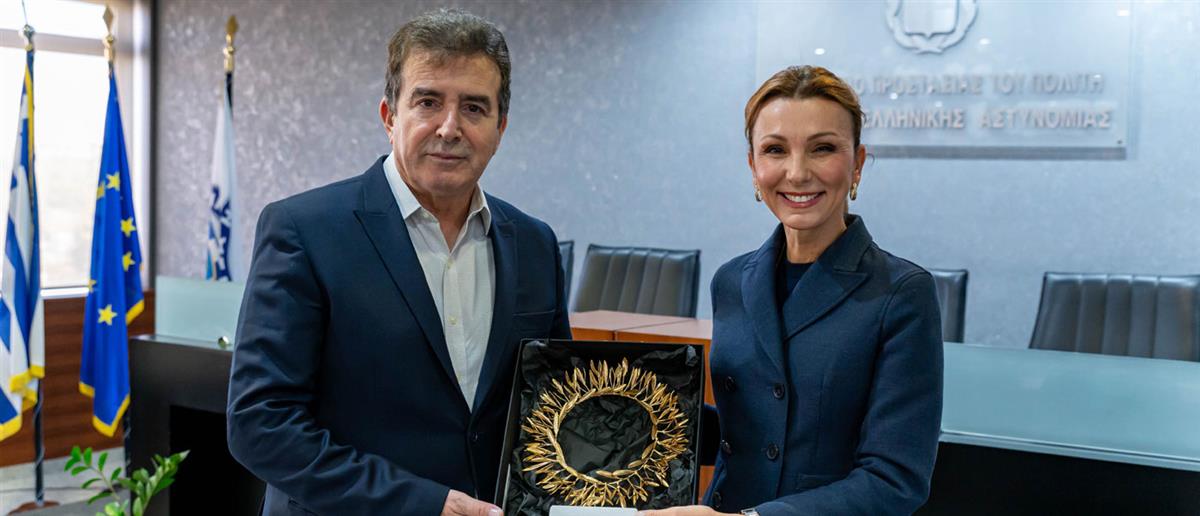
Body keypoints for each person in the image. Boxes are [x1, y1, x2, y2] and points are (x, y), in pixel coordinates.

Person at [226, 9, 571, 516]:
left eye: (474, 108)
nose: (449, 128)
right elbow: (261, 424)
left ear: (500, 127)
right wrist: (423, 503)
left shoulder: (535, 244)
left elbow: (554, 406)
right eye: (428, 102)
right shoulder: (304, 231)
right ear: (390, 117)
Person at [642, 66, 943, 516]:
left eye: (822, 148)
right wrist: (632, 416)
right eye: (775, 150)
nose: (797, 173)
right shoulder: (731, 280)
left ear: (857, 163)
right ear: (753, 167)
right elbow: (754, 427)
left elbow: (895, 479)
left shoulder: (902, 294)